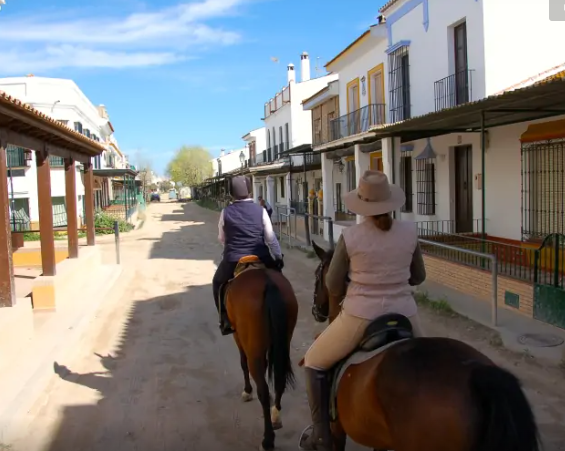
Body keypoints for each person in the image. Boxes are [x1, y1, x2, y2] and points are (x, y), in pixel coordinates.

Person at [299, 170, 427, 451]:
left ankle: (321, 434)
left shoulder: (351, 236)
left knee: (313, 361)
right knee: (429, 364)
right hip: (405, 313)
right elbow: (418, 277)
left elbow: (332, 284)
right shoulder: (410, 231)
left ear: (363, 205)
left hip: (360, 315)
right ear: (391, 202)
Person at [213, 176, 284, 335]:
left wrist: (231, 248)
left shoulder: (225, 212)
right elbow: (270, 238)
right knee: (279, 279)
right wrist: (278, 257)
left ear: (232, 193)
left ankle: (224, 319)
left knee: (217, 283)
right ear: (250, 191)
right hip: (261, 256)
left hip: (233, 258)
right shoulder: (261, 211)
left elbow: (221, 239)